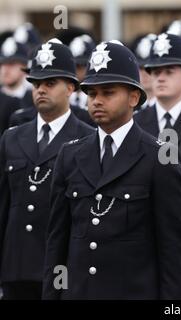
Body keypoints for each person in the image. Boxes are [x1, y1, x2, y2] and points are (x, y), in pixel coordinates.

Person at [42, 40, 181, 299]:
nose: (97, 101)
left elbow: (172, 253)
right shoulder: (70, 154)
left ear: (134, 97)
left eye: (108, 93)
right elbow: (58, 243)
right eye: (92, 93)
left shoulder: (159, 158)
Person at [0, 38, 94, 300]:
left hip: (61, 267)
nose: (41, 89)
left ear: (71, 87)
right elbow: (4, 206)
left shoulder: (87, 139)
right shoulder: (12, 137)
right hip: (16, 266)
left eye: (50, 83)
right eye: (37, 83)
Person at [0, 37, 33, 107]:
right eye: (3, 63)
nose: (6, 69)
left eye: (11, 64)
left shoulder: (33, 99)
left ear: (24, 67)